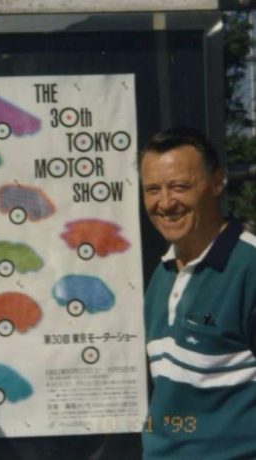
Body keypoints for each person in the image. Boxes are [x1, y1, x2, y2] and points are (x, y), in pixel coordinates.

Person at [139, 126, 256, 459]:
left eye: (179, 186)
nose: (165, 202)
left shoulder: (249, 268)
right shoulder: (163, 273)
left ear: (217, 182)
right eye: (152, 189)